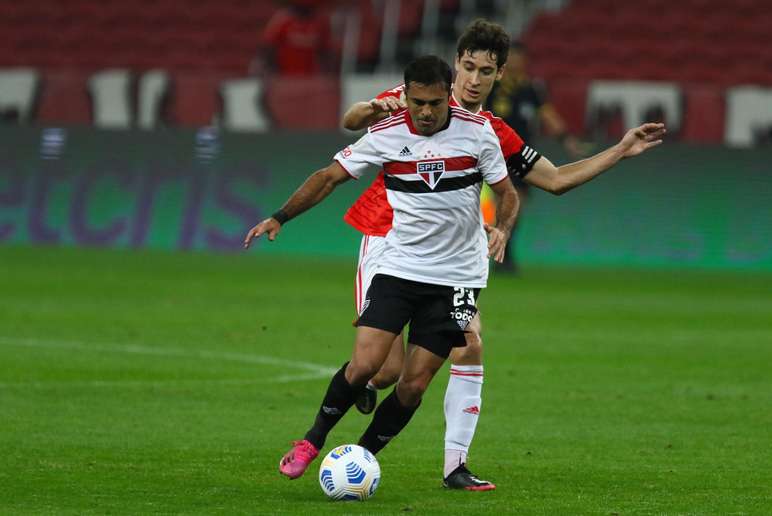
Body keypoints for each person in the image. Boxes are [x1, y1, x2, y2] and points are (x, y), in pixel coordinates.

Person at [340, 18, 666, 490]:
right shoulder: (425, 95)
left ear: (501, 74)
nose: (474, 80)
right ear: (455, 67)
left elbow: (554, 181)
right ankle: (366, 386)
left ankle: (455, 465)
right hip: (389, 238)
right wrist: (373, 106)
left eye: (486, 71)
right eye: (468, 68)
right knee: (387, 370)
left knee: (470, 341)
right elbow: (352, 119)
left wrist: (618, 150)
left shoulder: (492, 131)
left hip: (451, 255)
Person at [243, 55, 520, 483]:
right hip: (401, 266)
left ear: (448, 95)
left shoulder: (479, 133)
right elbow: (328, 177)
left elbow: (507, 192)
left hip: (458, 279)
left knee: (412, 386)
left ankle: (361, 457)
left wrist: (501, 227)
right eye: (417, 102)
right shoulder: (386, 134)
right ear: (404, 95)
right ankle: (312, 440)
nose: (426, 112)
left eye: (434, 103)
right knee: (366, 365)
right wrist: (281, 216)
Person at [486, 39, 590, 273]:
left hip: (522, 155)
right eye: (511, 56)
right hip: (495, 153)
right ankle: (498, 253)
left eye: (518, 57)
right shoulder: (491, 85)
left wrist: (567, 140)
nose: (514, 61)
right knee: (502, 200)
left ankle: (505, 250)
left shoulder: (531, 89)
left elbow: (548, 116)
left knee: (517, 203)